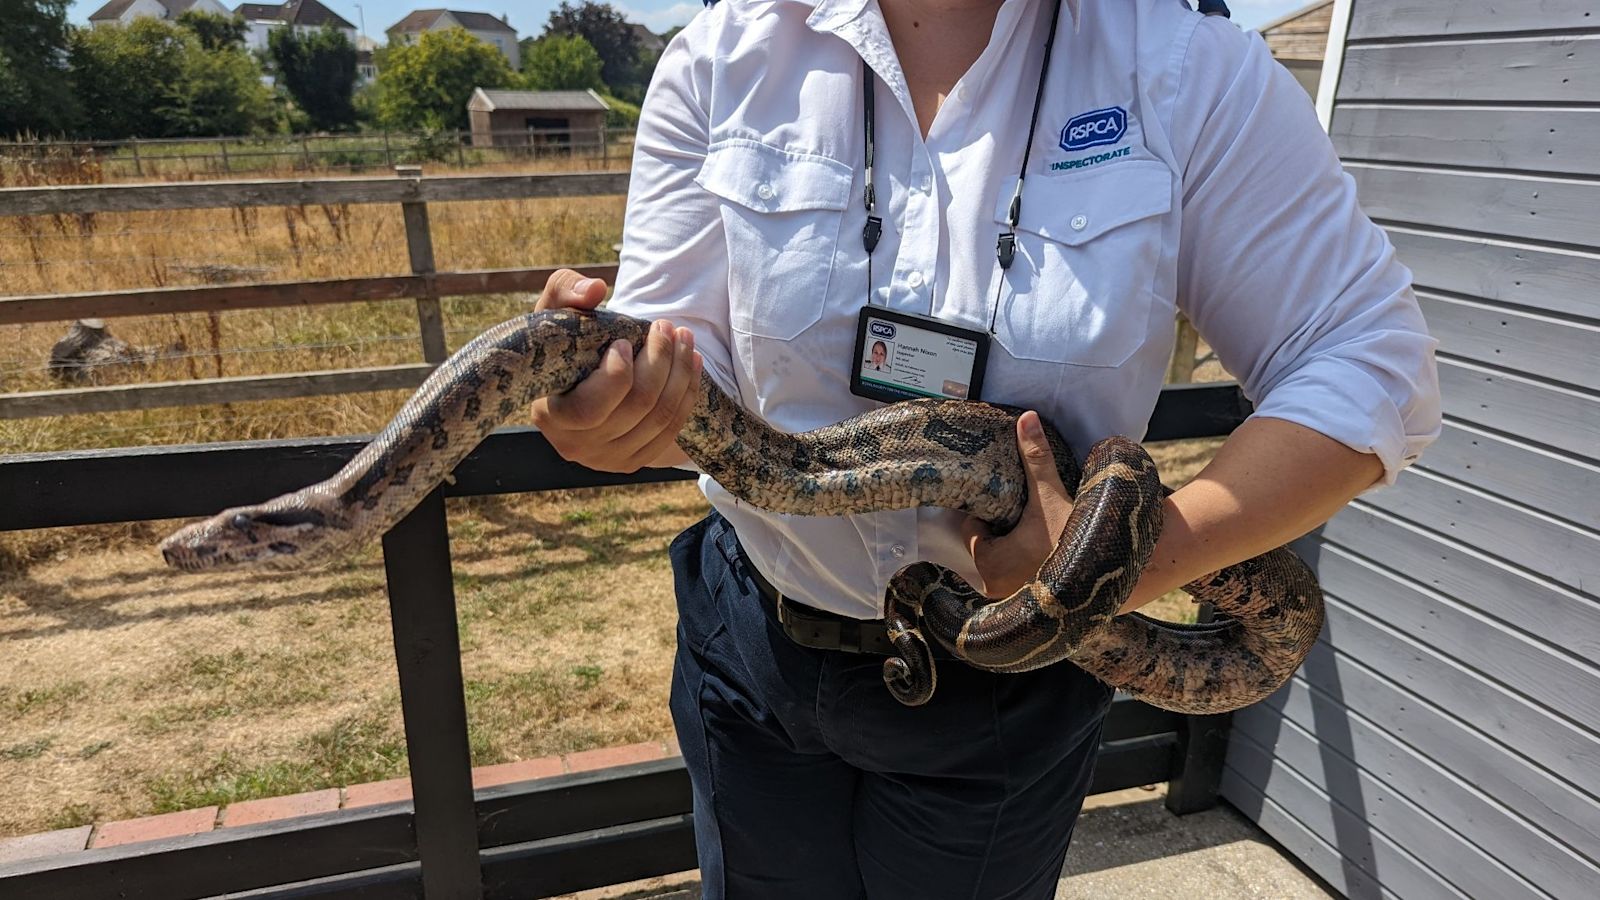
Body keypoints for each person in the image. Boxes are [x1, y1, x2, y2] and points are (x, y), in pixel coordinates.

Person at [530, 0, 1441, 897]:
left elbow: (1370, 360)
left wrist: (1122, 566)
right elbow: (685, 350)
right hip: (756, 653)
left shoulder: (1189, 68)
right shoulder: (723, 57)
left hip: (1014, 692)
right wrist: (620, 405)